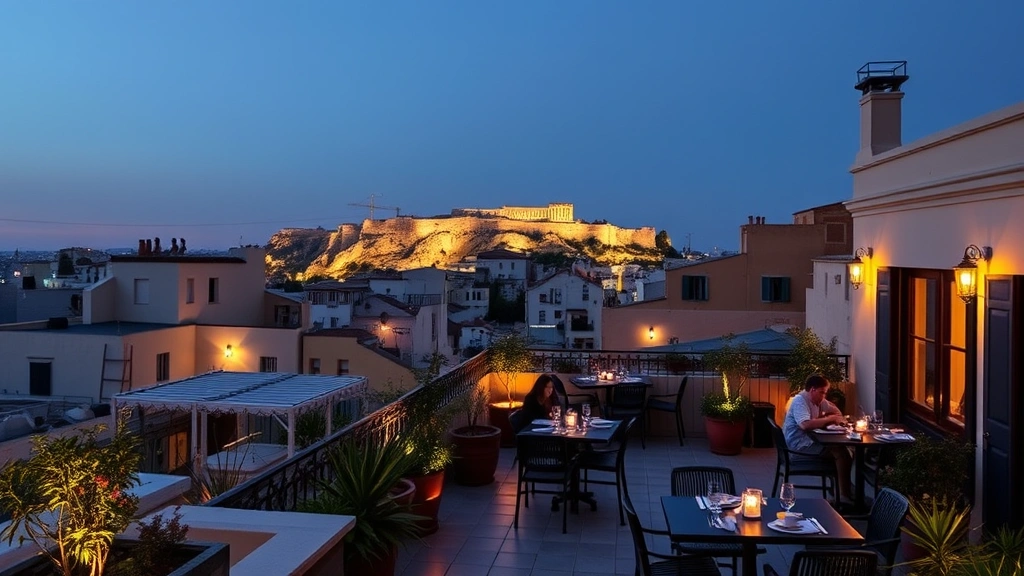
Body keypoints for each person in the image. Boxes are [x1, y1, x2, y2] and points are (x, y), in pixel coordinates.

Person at [783, 374, 854, 504]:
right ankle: (844, 495)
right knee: (841, 453)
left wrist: (833, 419)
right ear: (812, 390)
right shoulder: (800, 401)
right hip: (799, 447)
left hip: (810, 441)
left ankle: (844, 490)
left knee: (844, 451)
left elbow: (837, 413)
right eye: (822, 392)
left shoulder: (819, 401)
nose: (824, 396)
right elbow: (805, 424)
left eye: (825, 393)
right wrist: (829, 419)